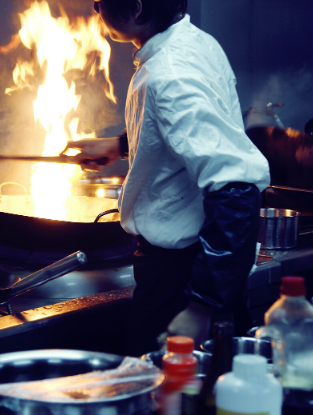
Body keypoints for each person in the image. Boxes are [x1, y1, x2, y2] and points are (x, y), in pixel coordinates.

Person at [62, 0, 270, 356]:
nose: (96, 7)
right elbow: (194, 130)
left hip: (185, 276)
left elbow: (236, 187)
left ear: (137, 8)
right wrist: (119, 144)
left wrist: (200, 306)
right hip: (200, 269)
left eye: (101, 1)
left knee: (162, 394)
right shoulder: (194, 41)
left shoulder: (170, 73)